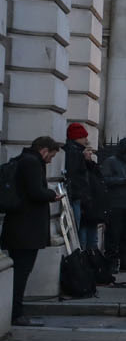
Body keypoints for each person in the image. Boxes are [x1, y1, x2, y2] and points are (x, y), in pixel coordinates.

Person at [3, 137, 63, 327]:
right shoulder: (32, 163)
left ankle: (16, 311)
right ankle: (16, 313)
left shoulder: (23, 160)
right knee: (21, 271)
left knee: (20, 270)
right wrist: (53, 195)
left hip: (20, 226)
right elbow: (36, 192)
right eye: (51, 156)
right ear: (44, 150)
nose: (50, 160)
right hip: (25, 228)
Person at [100, 137, 126, 273]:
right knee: (113, 235)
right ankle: (111, 262)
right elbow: (104, 180)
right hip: (115, 204)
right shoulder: (111, 162)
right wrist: (123, 181)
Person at [62, 123, 99, 250]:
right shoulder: (75, 152)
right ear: (77, 137)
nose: (86, 140)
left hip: (80, 196)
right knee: (76, 228)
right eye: (83, 137)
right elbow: (74, 174)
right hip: (77, 196)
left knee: (80, 228)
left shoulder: (78, 152)